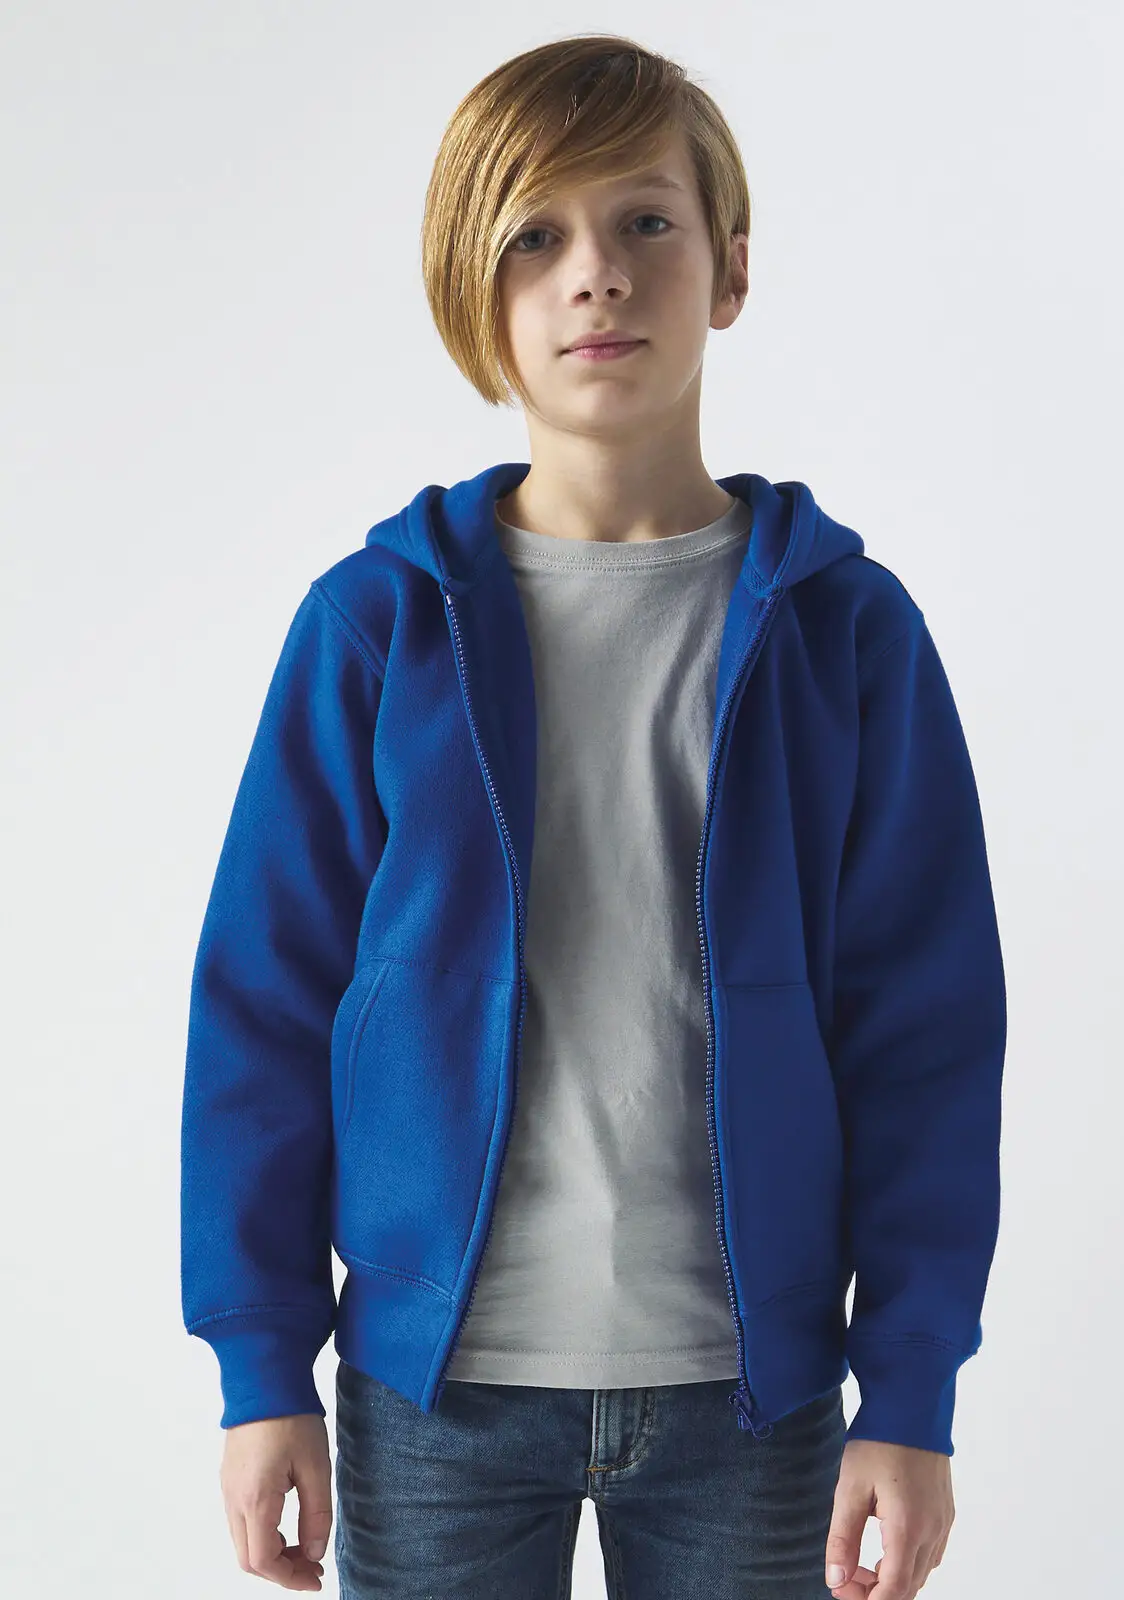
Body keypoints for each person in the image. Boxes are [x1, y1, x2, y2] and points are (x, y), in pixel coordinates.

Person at [180, 33, 1006, 1600]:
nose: (596, 275)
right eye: (535, 238)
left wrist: (911, 1392)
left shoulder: (846, 635)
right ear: (471, 291)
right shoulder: (378, 625)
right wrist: (259, 1368)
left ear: (731, 268)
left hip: (749, 1396)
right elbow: (263, 1010)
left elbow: (928, 1034)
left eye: (645, 223)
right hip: (436, 1393)